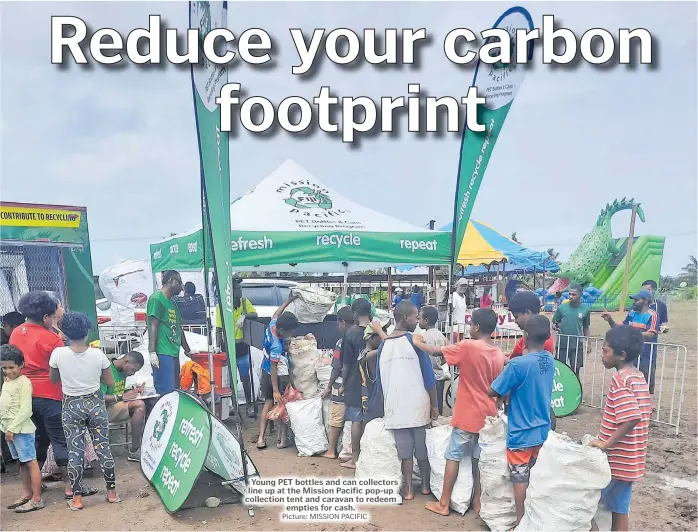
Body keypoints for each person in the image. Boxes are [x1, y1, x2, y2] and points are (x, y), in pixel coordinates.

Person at [415, 308, 505, 517]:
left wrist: (418, 342)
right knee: (477, 460)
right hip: (488, 416)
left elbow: (438, 352)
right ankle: (478, 502)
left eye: (471, 324)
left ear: (477, 327)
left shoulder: (469, 347)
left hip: (467, 414)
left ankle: (444, 503)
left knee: (453, 456)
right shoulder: (498, 353)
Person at [48, 312, 120, 509]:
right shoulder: (98, 354)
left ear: (65, 333)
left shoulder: (58, 354)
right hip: (95, 405)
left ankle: (77, 499)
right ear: (87, 331)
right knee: (103, 448)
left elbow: (54, 379)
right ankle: (112, 493)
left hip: (71, 406)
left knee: (75, 451)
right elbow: (110, 381)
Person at [488, 315, 555, 526]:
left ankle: (520, 521)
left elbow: (493, 389)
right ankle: (537, 517)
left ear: (525, 336)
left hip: (520, 431)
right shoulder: (549, 360)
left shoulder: (517, 365)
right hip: (543, 429)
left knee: (520, 478)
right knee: (536, 476)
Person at [367, 301, 438, 500]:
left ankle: (408, 490)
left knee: (404, 451)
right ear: (405, 318)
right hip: (417, 404)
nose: (416, 320)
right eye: (415, 317)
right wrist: (434, 405)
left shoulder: (383, 347)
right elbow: (428, 378)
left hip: (395, 406)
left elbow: (380, 384)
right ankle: (424, 485)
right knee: (421, 448)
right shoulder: (414, 341)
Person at [9, 291, 71, 498]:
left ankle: (34, 486)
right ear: (46, 317)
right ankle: (70, 486)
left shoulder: (16, 333)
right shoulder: (52, 338)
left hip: (24, 395)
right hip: (50, 394)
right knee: (59, 440)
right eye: (52, 317)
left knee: (36, 440)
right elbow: (63, 367)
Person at [589, 326, 651, 532]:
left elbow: (631, 417)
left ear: (621, 355)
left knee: (586, 504)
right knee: (619, 509)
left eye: (605, 351)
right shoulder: (638, 377)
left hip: (616, 461)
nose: (601, 354)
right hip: (631, 460)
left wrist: (606, 443)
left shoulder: (621, 379)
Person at [0, 345, 45, 513]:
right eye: (4, 368)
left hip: (21, 430)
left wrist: (12, 428)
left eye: (11, 367)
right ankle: (27, 493)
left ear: (21, 365)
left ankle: (36, 499)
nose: (8, 371)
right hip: (9, 430)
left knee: (30, 462)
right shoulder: (7, 381)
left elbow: (26, 409)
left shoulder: (24, 382)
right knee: (22, 463)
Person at [256, 293, 299, 450]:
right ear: (282, 330)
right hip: (274, 376)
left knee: (267, 405)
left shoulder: (272, 324)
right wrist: (276, 390)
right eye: (289, 333)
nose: (291, 336)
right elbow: (275, 368)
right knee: (280, 405)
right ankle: (282, 440)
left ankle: (261, 438)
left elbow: (276, 313)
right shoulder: (276, 345)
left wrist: (288, 300)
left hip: (264, 370)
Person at [601, 289, 659, 394]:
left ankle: (646, 401)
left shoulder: (652, 315)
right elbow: (622, 328)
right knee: (626, 376)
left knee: (645, 377)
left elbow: (651, 334)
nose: (634, 302)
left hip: (646, 354)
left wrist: (632, 333)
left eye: (637, 300)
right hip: (630, 352)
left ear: (645, 301)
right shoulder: (632, 313)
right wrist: (610, 320)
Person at [338, 298, 373, 469]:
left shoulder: (350, 334)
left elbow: (345, 364)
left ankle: (355, 458)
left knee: (356, 419)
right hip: (372, 382)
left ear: (354, 314)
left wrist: (343, 384)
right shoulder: (376, 331)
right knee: (369, 419)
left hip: (354, 381)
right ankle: (368, 456)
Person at [147, 270, 191, 396]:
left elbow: (178, 328)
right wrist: (152, 352)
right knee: (166, 392)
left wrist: (187, 349)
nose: (182, 287)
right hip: (162, 353)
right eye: (180, 282)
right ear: (171, 280)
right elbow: (153, 325)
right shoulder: (157, 299)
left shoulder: (173, 304)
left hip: (173, 353)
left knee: (175, 390)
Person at [320, 306, 354, 460]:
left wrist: (329, 386)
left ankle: (332, 450)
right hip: (358, 385)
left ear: (343, 323)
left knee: (336, 418)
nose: (337, 327)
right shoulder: (361, 337)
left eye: (338, 323)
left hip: (341, 384)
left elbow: (336, 367)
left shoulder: (342, 342)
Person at [101, 351, 146, 462]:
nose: (133, 374)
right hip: (103, 410)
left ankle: (141, 447)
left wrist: (134, 391)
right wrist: (121, 397)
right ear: (125, 361)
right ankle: (135, 450)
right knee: (139, 405)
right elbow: (99, 398)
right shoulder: (106, 370)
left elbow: (117, 391)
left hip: (115, 406)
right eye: (133, 370)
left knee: (146, 403)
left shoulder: (122, 371)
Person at [552, 284, 590, 375]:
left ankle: (575, 389)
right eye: (569, 294)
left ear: (580, 295)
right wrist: (555, 327)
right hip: (562, 344)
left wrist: (588, 343)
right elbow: (554, 324)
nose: (570, 296)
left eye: (574, 294)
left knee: (576, 370)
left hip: (577, 345)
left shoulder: (585, 309)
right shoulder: (561, 308)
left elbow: (586, 327)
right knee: (560, 370)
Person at [416, 306, 448, 415]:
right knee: (438, 402)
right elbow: (445, 357)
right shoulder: (442, 336)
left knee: (429, 404)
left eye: (419, 318)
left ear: (426, 320)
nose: (417, 321)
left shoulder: (422, 337)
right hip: (440, 375)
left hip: (428, 376)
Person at [507, 291, 556, 359]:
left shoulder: (541, 341)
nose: (516, 321)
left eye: (516, 316)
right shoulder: (528, 336)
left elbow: (526, 363)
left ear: (527, 312)